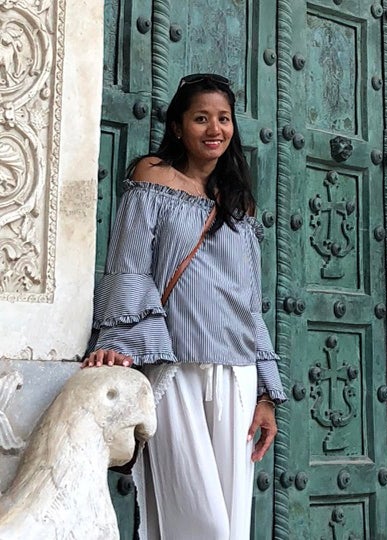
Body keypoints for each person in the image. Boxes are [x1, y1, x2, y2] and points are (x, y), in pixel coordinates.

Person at [83, 73, 287, 540]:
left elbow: (249, 303)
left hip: (237, 372)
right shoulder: (152, 176)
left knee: (232, 526)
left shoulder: (239, 205)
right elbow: (129, 266)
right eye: (201, 118)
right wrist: (115, 342)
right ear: (178, 126)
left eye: (223, 119)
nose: (214, 129)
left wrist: (265, 395)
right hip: (175, 368)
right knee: (202, 524)